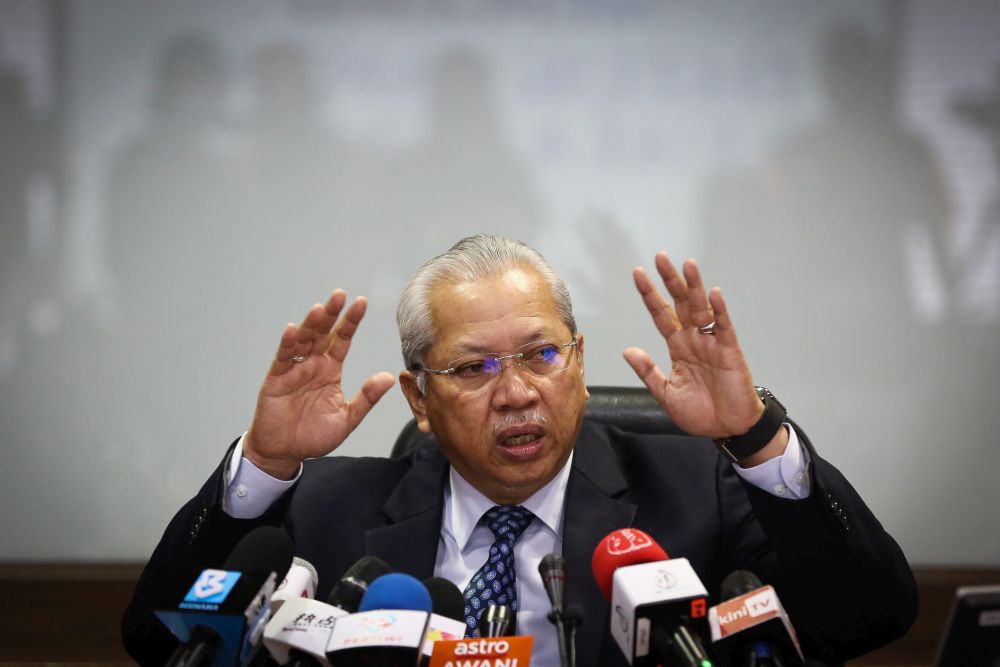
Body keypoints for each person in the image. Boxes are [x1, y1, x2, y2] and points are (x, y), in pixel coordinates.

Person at [122, 235, 917, 666]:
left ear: (578, 363)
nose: (516, 392)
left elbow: (869, 617)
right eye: (474, 367)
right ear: (418, 401)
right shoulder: (331, 509)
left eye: (541, 355)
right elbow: (157, 640)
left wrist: (754, 437)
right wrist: (261, 467)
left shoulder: (695, 490)